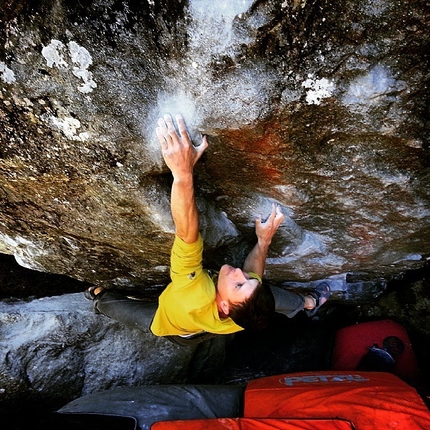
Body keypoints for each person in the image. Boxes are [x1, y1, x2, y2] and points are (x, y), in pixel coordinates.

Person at [85, 114, 330, 346]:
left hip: (171, 325)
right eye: (247, 280)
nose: (240, 274)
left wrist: (182, 173)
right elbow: (253, 277)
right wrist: (263, 242)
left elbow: (187, 235)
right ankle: (308, 303)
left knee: (112, 304)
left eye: (238, 285)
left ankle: (96, 297)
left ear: (224, 306)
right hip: (221, 325)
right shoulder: (242, 311)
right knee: (273, 298)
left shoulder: (194, 293)